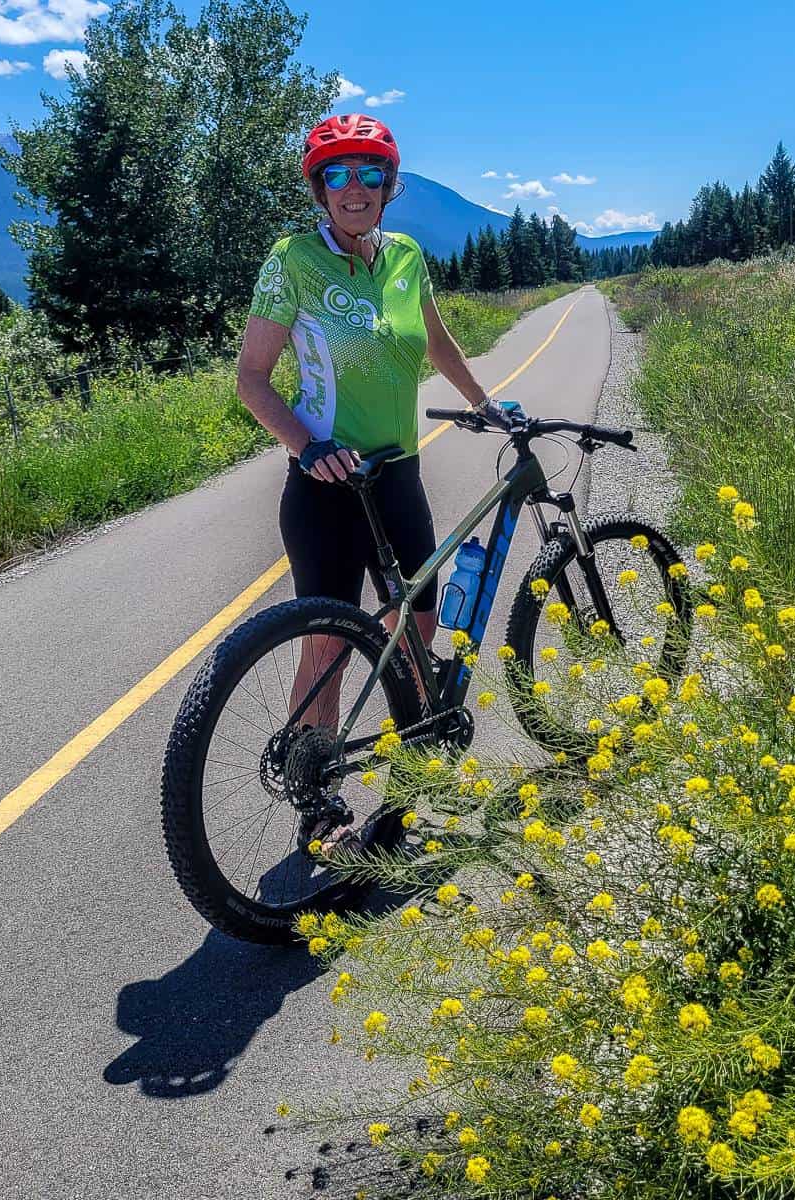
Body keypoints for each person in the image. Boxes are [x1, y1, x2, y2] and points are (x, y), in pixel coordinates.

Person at [236, 113, 511, 850]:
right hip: (326, 483)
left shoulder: (406, 256)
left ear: (387, 187)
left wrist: (484, 403)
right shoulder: (292, 259)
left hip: (397, 474)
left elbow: (435, 335)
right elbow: (252, 380)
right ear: (319, 190)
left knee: (415, 629)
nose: (353, 188)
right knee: (324, 644)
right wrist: (305, 446)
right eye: (336, 175)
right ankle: (313, 797)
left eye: (367, 175)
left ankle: (411, 789)